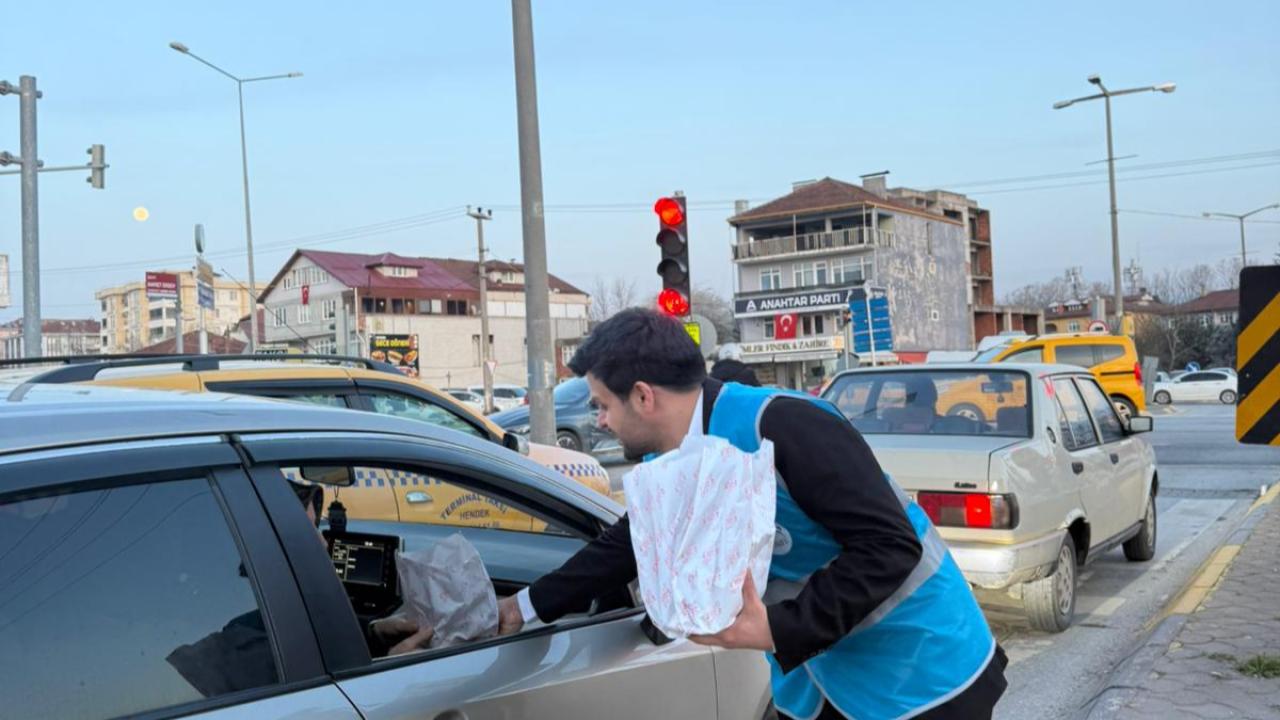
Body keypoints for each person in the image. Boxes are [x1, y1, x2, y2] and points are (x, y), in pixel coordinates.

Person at [496, 309, 1006, 720]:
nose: (600, 421)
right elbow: (633, 541)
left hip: (922, 670)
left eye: (602, 405)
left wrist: (780, 629)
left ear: (643, 396)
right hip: (822, 679)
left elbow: (890, 546)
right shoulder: (666, 456)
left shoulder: (784, 424)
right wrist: (523, 607)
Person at [167, 480, 432, 696]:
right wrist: (389, 671)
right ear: (262, 554)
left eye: (317, 527)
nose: (324, 543)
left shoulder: (233, 635)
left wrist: (373, 634)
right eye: (306, 532)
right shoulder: (252, 665)